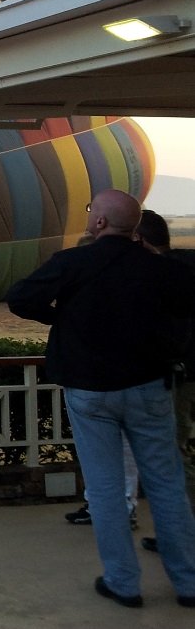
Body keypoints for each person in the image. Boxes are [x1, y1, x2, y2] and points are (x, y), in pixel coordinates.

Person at [6, 188, 195, 609]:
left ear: (99, 223)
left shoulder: (73, 263)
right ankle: (188, 582)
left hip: (90, 391)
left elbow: (20, 297)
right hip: (148, 388)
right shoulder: (156, 267)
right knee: (166, 484)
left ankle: (123, 582)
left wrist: (60, 316)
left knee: (106, 489)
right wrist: (156, 259)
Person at [134, 208, 195, 555]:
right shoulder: (187, 265)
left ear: (139, 240)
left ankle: (181, 535)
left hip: (180, 378)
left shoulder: (157, 276)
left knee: (173, 457)